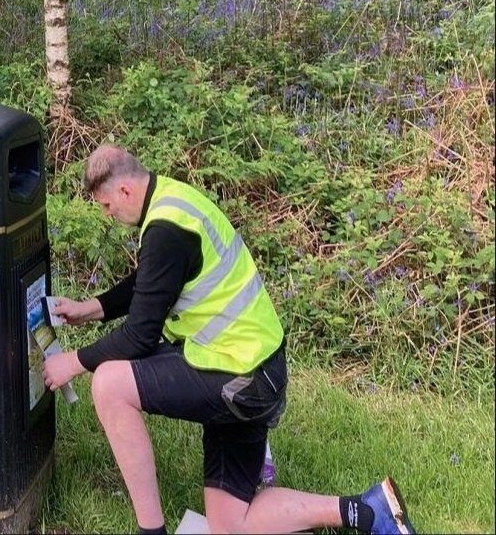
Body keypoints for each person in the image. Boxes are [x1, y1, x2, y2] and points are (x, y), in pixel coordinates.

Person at [42, 145, 416, 535]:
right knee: (229, 524)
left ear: (124, 192)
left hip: (241, 377)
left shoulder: (166, 229)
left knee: (109, 384)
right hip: (255, 369)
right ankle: (368, 510)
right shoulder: (171, 199)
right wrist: (91, 308)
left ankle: (150, 530)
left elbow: (139, 336)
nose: (108, 216)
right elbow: (150, 282)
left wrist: (73, 362)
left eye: (105, 206)